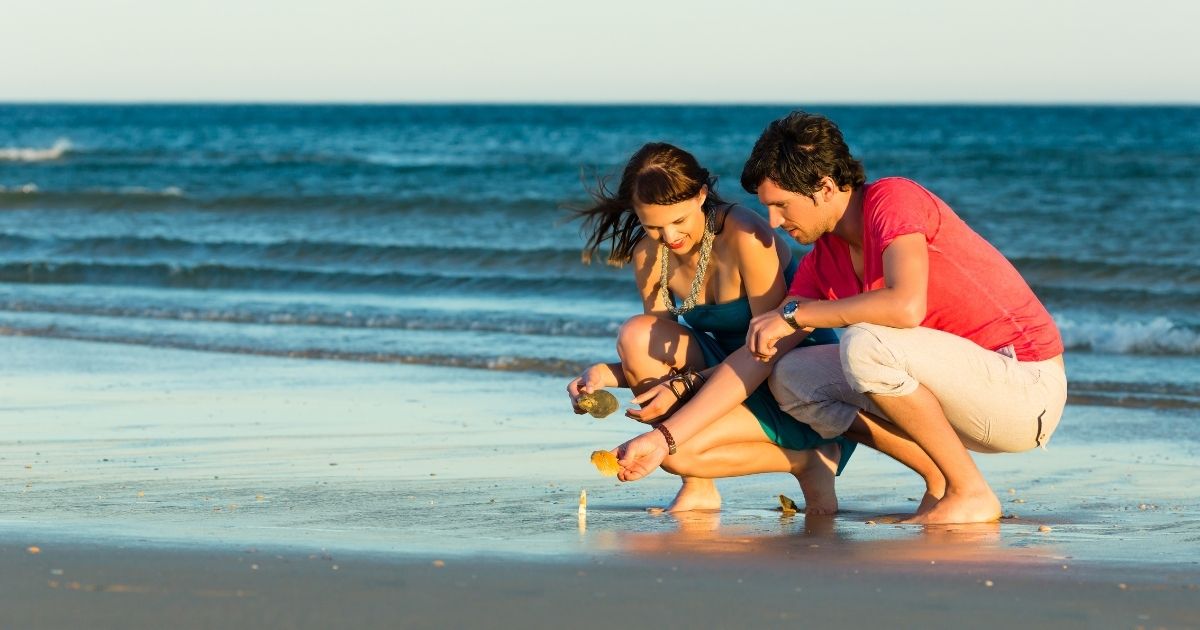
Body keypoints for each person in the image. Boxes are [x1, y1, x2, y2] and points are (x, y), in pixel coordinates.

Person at [613, 112, 1066, 525]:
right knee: (792, 374)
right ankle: (942, 482)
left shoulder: (893, 200)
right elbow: (759, 358)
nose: (772, 221)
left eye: (782, 205)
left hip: (1024, 389)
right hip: (963, 394)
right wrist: (664, 440)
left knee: (865, 343)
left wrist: (800, 314)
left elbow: (904, 305)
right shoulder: (821, 263)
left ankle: (971, 492)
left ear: (826, 187)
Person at [568, 142, 853, 513]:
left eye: (679, 221)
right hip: (720, 374)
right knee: (637, 334)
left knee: (668, 449)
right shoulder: (649, 254)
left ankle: (810, 461)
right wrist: (600, 376)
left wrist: (688, 386)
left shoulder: (746, 236)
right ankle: (699, 487)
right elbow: (652, 356)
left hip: (788, 375)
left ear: (702, 195)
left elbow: (770, 347)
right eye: (653, 226)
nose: (670, 237)